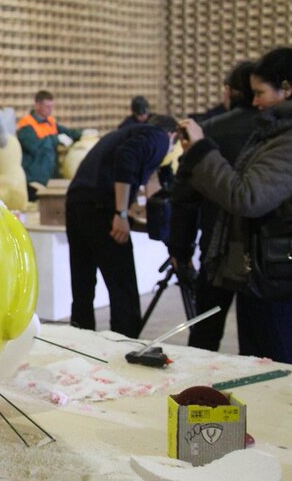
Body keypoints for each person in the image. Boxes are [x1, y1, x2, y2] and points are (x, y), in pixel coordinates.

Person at [177, 46, 292, 364]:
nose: (254, 102)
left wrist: (201, 150)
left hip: (275, 277)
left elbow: (247, 197)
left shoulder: (286, 139)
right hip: (263, 270)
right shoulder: (273, 132)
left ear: (286, 88)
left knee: (270, 367)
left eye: (260, 93)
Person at [167, 60, 258, 351]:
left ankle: (200, 381)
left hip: (216, 249)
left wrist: (180, 251)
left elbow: (184, 199)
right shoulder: (277, 133)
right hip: (266, 255)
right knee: (262, 343)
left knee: (205, 335)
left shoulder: (207, 132)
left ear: (229, 91)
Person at [66, 115, 178, 338]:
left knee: (82, 283)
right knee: (122, 287)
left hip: (77, 203)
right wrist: (121, 213)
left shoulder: (125, 134)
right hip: (102, 209)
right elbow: (126, 157)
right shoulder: (158, 136)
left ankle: (79, 341)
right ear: (172, 135)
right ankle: (124, 344)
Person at [17, 90, 82, 200]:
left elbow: (67, 132)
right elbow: (36, 147)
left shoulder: (50, 122)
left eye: (52, 107)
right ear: (37, 105)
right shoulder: (26, 125)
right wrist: (55, 139)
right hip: (34, 178)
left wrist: (82, 134)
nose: (50, 110)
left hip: (50, 175)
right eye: (47, 107)